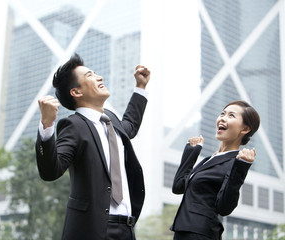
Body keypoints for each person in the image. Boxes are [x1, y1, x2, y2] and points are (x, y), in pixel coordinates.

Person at [35, 53, 150, 240]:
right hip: (94, 230)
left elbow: (130, 125)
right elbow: (50, 171)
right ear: (76, 92)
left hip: (127, 229)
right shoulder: (74, 126)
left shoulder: (111, 120)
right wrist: (47, 125)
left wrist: (140, 88)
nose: (99, 77)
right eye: (90, 75)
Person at [170, 100, 260, 240]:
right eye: (222, 113)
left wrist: (241, 167)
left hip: (201, 233)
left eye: (231, 115)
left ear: (245, 129)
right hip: (184, 230)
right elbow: (178, 186)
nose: (223, 118)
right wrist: (191, 153)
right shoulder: (209, 160)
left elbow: (225, 208)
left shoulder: (234, 162)